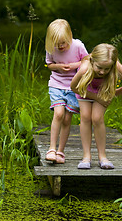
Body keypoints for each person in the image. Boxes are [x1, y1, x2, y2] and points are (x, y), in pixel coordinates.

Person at [71, 43, 122, 169]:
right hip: (84, 89)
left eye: (107, 69)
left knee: (97, 118)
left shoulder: (114, 66)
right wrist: (96, 97)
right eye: (99, 68)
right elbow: (74, 87)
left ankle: (103, 157)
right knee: (85, 117)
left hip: (103, 90)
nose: (102, 72)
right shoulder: (85, 67)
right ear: (92, 61)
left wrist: (113, 94)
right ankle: (86, 157)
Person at [45, 19, 89, 164]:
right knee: (58, 114)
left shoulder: (77, 45)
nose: (61, 46)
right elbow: (49, 64)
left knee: (67, 119)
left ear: (69, 36)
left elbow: (87, 61)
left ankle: (60, 151)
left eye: (63, 43)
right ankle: (51, 148)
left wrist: (73, 66)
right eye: (57, 44)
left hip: (73, 86)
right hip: (56, 84)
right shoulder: (51, 48)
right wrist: (57, 67)